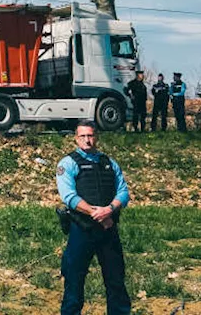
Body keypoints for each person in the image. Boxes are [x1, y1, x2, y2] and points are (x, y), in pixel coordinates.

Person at [56, 120, 131, 315]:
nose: (87, 140)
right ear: (76, 138)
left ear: (96, 137)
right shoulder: (68, 163)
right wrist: (96, 214)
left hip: (108, 229)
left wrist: (110, 210)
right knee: (74, 280)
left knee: (116, 280)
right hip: (82, 230)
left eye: (90, 136)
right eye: (83, 136)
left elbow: (123, 192)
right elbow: (69, 196)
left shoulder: (109, 162)